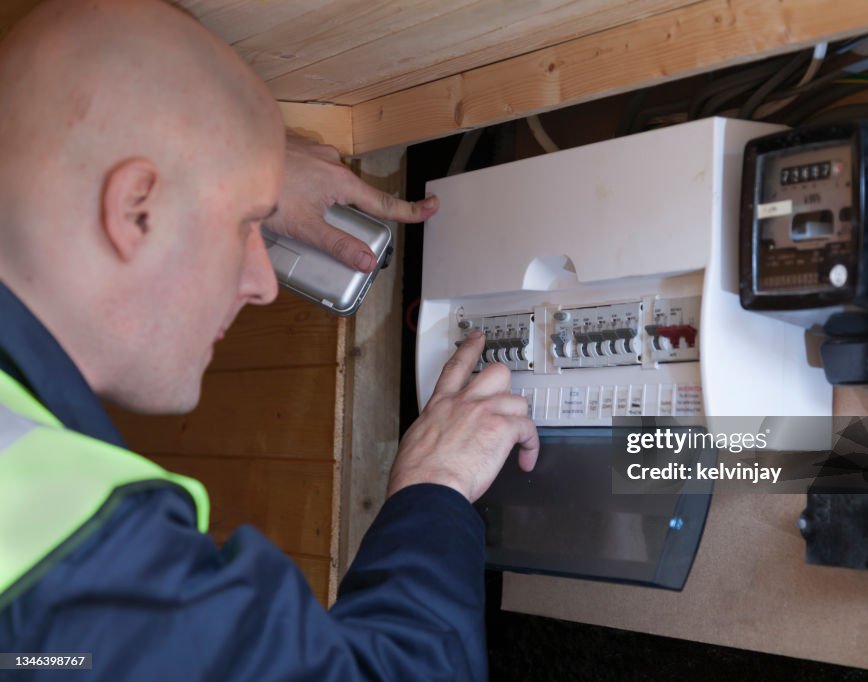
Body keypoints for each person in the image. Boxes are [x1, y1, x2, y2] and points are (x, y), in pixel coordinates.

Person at [0, 1, 538, 679]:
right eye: (247, 225)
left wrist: (227, 168)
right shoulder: (62, 546)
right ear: (136, 208)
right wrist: (437, 485)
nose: (261, 282)